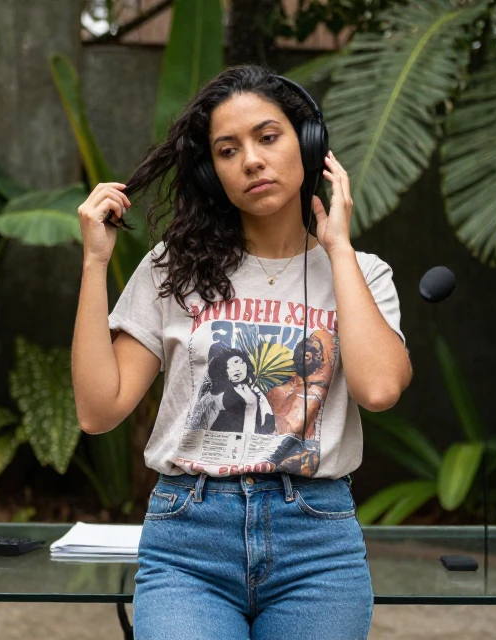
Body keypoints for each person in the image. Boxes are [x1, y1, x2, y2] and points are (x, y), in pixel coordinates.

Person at [70, 64, 412, 640]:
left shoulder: (363, 275)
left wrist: (339, 249)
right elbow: (98, 410)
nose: (251, 159)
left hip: (317, 543)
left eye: (268, 137)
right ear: (214, 173)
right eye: (228, 151)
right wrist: (95, 263)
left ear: (309, 144)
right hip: (189, 542)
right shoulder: (171, 270)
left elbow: (379, 391)